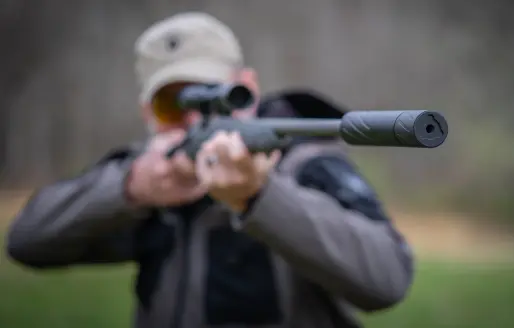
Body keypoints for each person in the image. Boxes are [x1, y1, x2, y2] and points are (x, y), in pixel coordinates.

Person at [6, 12, 414, 328]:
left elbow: (388, 280)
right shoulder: (146, 178)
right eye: (171, 105)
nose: (193, 119)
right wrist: (131, 190)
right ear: (146, 112)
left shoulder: (304, 162)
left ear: (247, 88)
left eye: (213, 96)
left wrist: (260, 196)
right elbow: (27, 241)